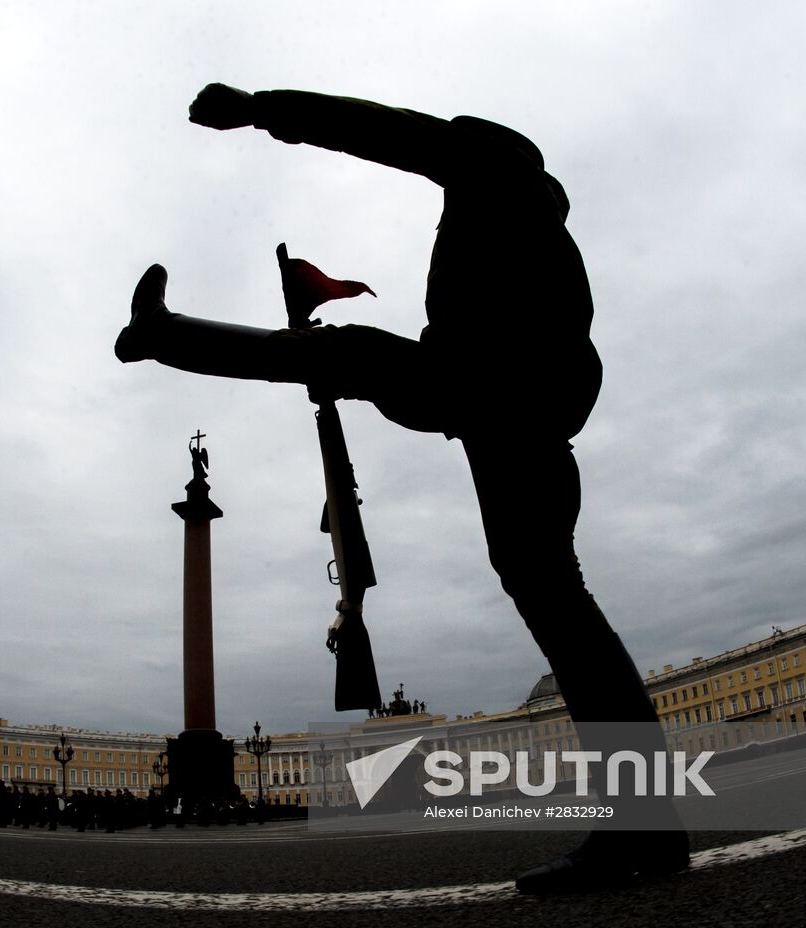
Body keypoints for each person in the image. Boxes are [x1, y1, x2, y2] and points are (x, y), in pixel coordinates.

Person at [115, 84, 687, 893]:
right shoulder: (521, 224)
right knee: (555, 599)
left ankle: (164, 337)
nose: (443, 205)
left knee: (555, 599)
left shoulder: (490, 173)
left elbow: (384, 132)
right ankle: (649, 828)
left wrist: (261, 108)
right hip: (496, 406)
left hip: (500, 397)